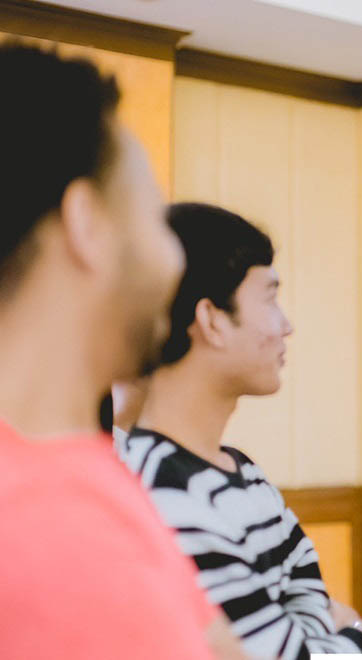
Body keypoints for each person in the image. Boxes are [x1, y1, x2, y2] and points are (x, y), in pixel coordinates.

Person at [0, 42, 243, 659]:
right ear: (87, 223)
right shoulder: (50, 520)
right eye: (154, 218)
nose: (174, 257)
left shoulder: (84, 468)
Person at [120, 202, 362, 657]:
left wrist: (328, 631)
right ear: (212, 320)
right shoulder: (160, 488)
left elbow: (306, 613)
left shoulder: (246, 474)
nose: (286, 325)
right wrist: (357, 634)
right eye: (270, 298)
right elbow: (314, 633)